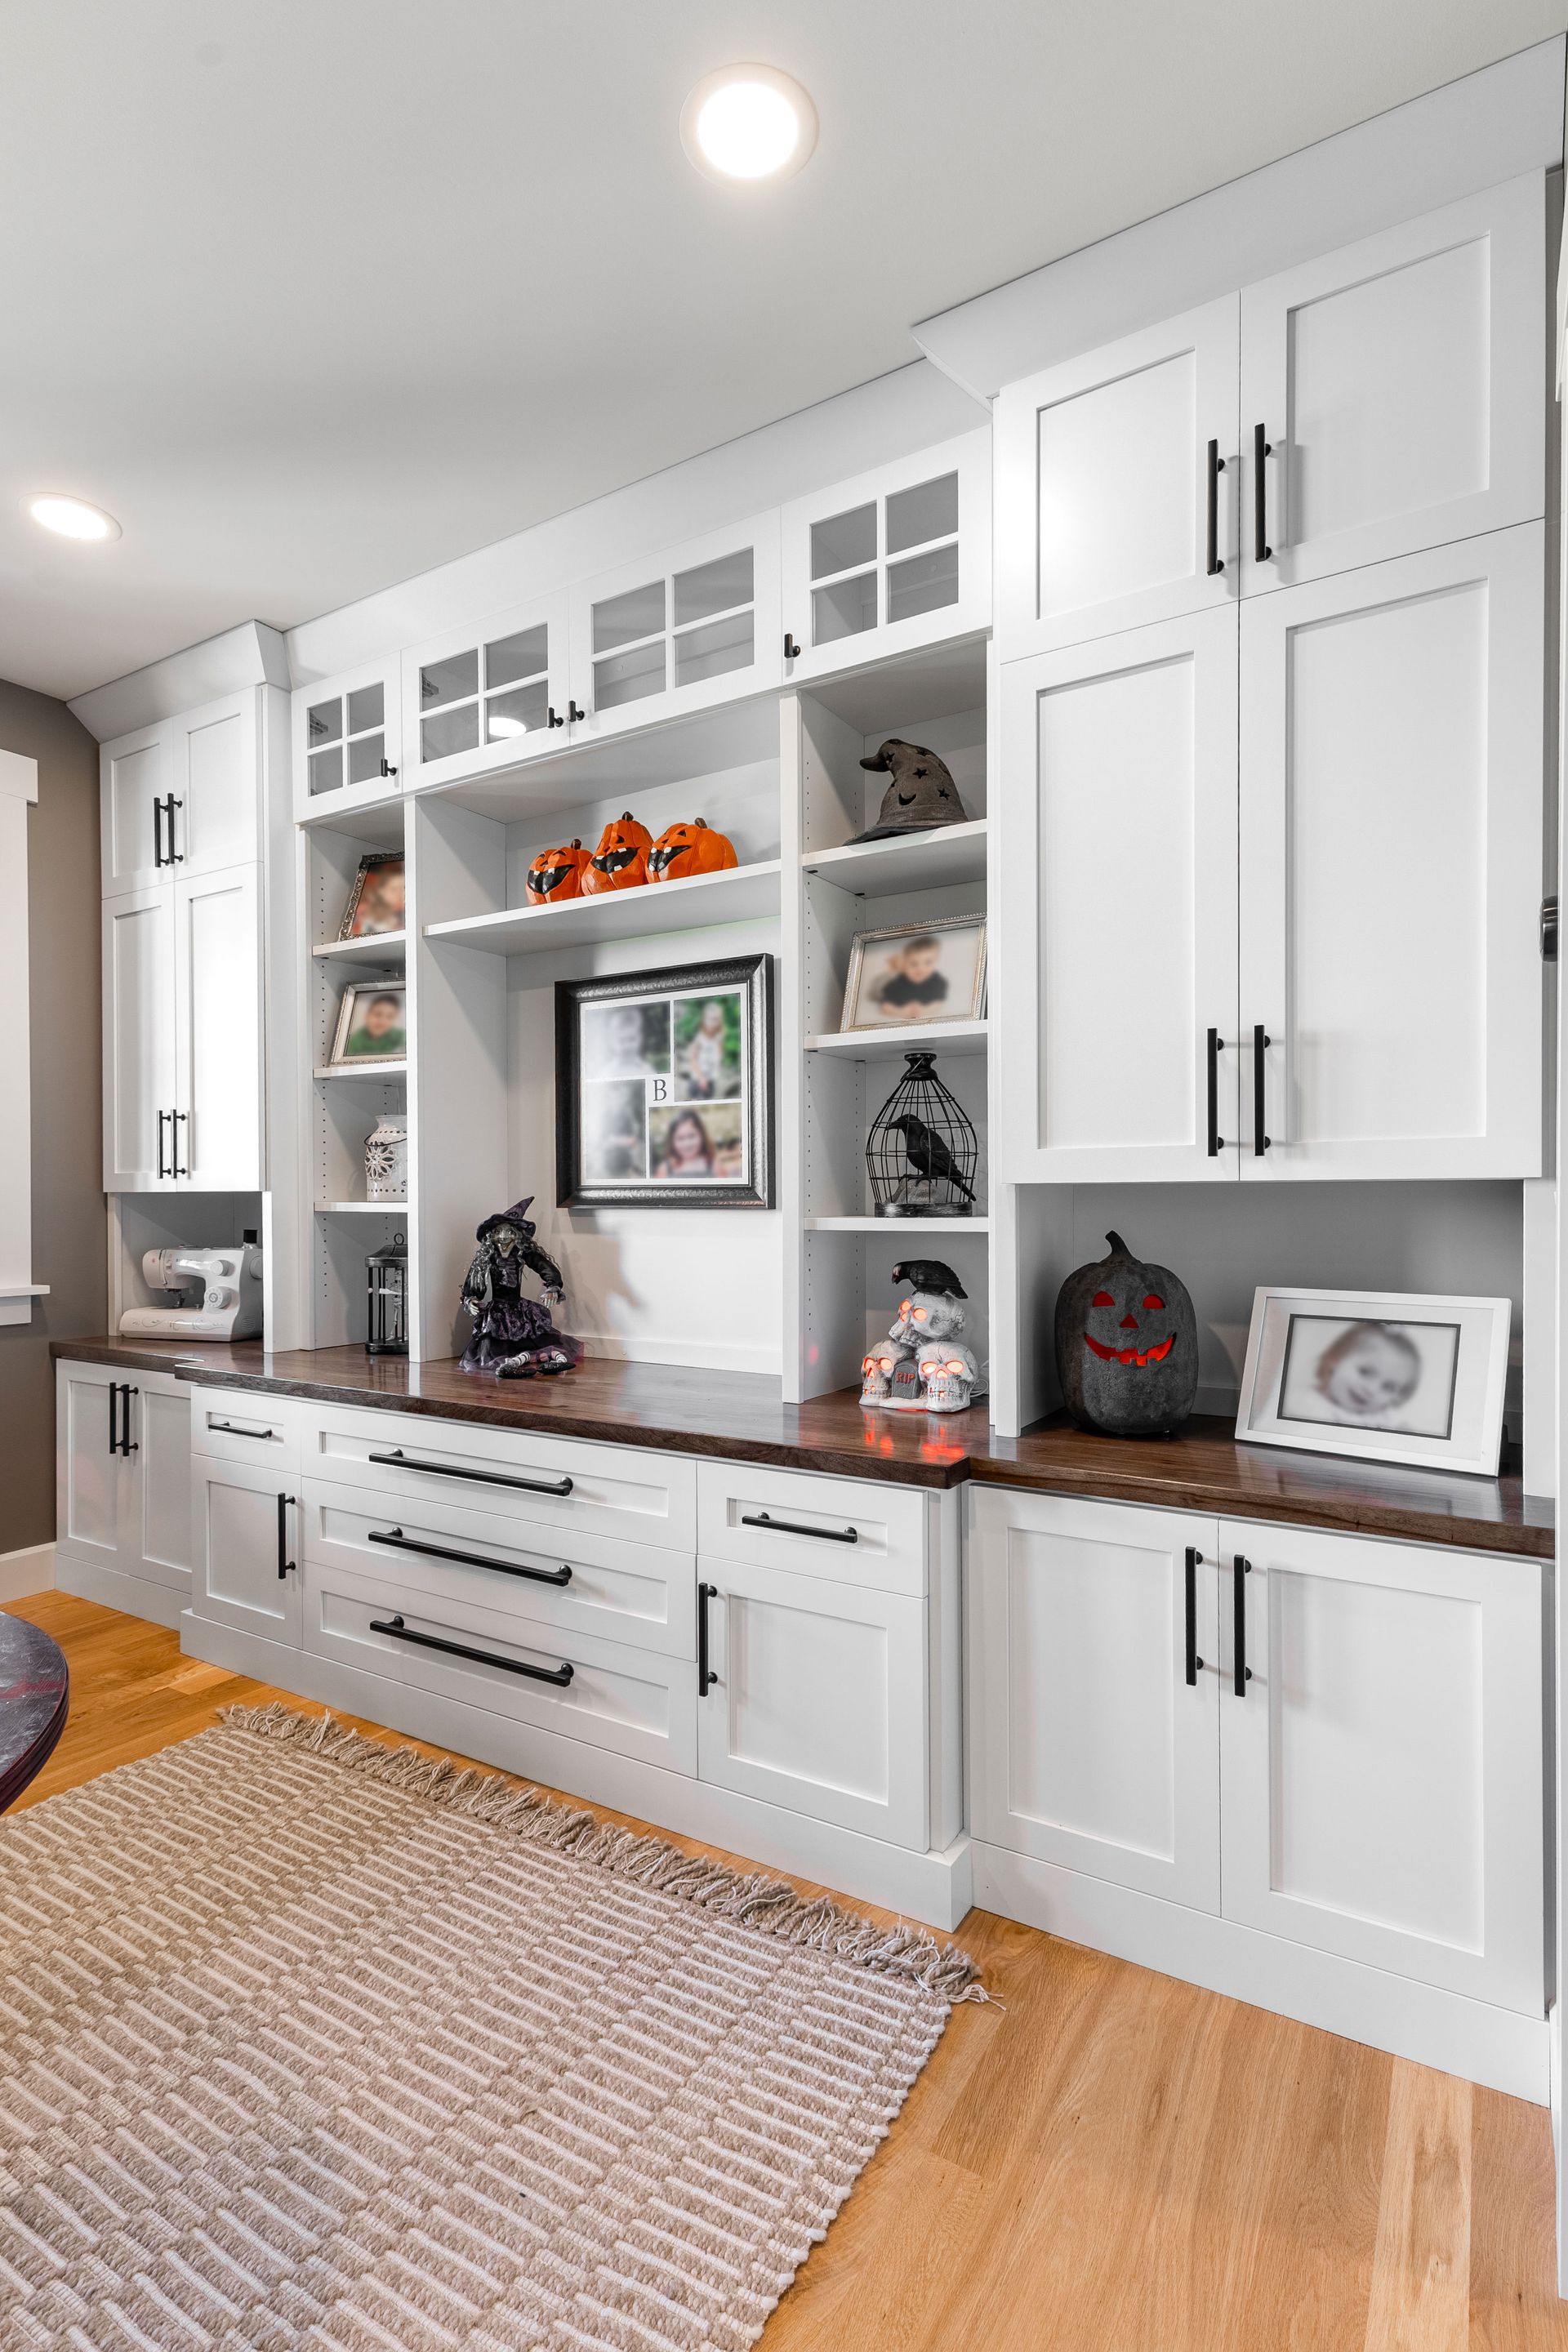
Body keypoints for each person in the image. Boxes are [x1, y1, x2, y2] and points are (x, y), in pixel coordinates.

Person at [1312, 1321, 1422, 1424]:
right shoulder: (1310, 1407)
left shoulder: (1385, 1419)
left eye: (1388, 1387)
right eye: (1365, 1372)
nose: (1371, 1390)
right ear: (1335, 1360)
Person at [870, 934, 948, 1015]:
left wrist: (924, 1011)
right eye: (913, 964)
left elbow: (938, 1003)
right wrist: (902, 1012)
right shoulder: (898, 983)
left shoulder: (937, 982)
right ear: (905, 965)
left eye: (928, 962)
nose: (921, 969)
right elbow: (885, 1006)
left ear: (936, 961)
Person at [593, 1004, 663, 1079]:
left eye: (631, 1039)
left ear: (641, 1038)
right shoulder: (608, 1072)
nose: (627, 1046)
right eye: (621, 1040)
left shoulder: (647, 1070)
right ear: (612, 1041)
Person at [683, 999, 733, 1098]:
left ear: (720, 1021)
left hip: (711, 1081)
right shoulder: (699, 1039)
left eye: (715, 1019)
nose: (712, 1023)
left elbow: (718, 1058)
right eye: (709, 1019)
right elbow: (693, 1060)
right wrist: (701, 1078)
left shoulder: (719, 1039)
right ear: (704, 1020)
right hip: (698, 1081)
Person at [654, 1107, 715, 1177]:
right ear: (672, 1141)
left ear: (701, 1135)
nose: (687, 1144)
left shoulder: (713, 1166)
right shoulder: (664, 1170)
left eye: (691, 1136)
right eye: (680, 1138)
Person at [344, 991, 405, 1057]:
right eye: (377, 1014)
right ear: (367, 1016)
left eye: (390, 1017)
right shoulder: (353, 1041)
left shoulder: (401, 1036)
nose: (382, 1021)